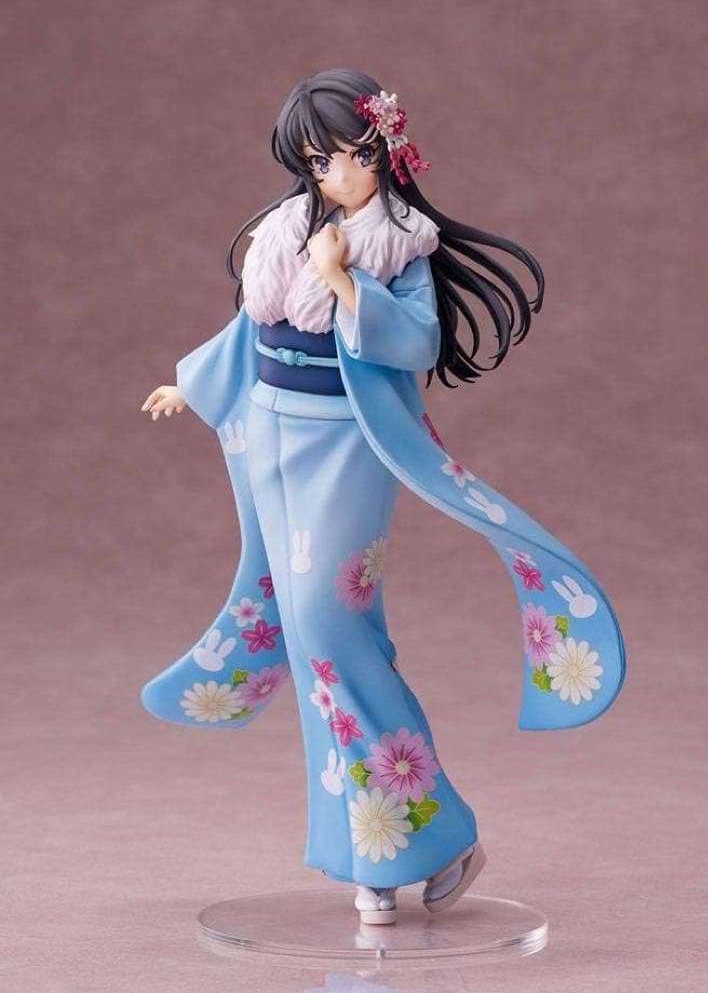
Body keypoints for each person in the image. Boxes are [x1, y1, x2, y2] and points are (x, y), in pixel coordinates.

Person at [140, 69, 626, 927]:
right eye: (317, 162)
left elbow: (414, 342)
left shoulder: (400, 243)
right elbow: (254, 323)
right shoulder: (286, 228)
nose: (336, 175)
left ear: (386, 151)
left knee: (330, 622)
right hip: (270, 431)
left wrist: (345, 283)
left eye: (352, 156)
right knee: (309, 637)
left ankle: (424, 835)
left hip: (347, 441)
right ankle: (377, 851)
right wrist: (195, 382)